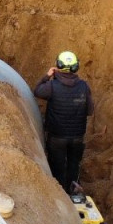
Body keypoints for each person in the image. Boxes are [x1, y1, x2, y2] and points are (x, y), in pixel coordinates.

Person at [34, 51, 92, 194]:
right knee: (74, 165)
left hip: (57, 137)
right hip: (77, 136)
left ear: (58, 65)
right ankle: (73, 192)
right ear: (76, 67)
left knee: (57, 167)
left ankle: (60, 195)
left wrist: (47, 76)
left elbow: (37, 91)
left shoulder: (51, 86)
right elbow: (90, 111)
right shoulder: (84, 86)